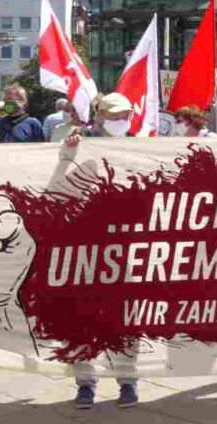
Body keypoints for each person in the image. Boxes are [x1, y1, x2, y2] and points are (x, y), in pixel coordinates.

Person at [62, 92, 139, 408]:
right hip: (86, 247)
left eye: (125, 117)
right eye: (114, 116)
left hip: (125, 248)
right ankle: (85, 384)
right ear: (99, 117)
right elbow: (58, 186)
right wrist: (68, 154)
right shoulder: (79, 143)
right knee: (81, 319)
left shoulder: (143, 146)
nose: (120, 122)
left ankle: (128, 383)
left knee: (125, 322)